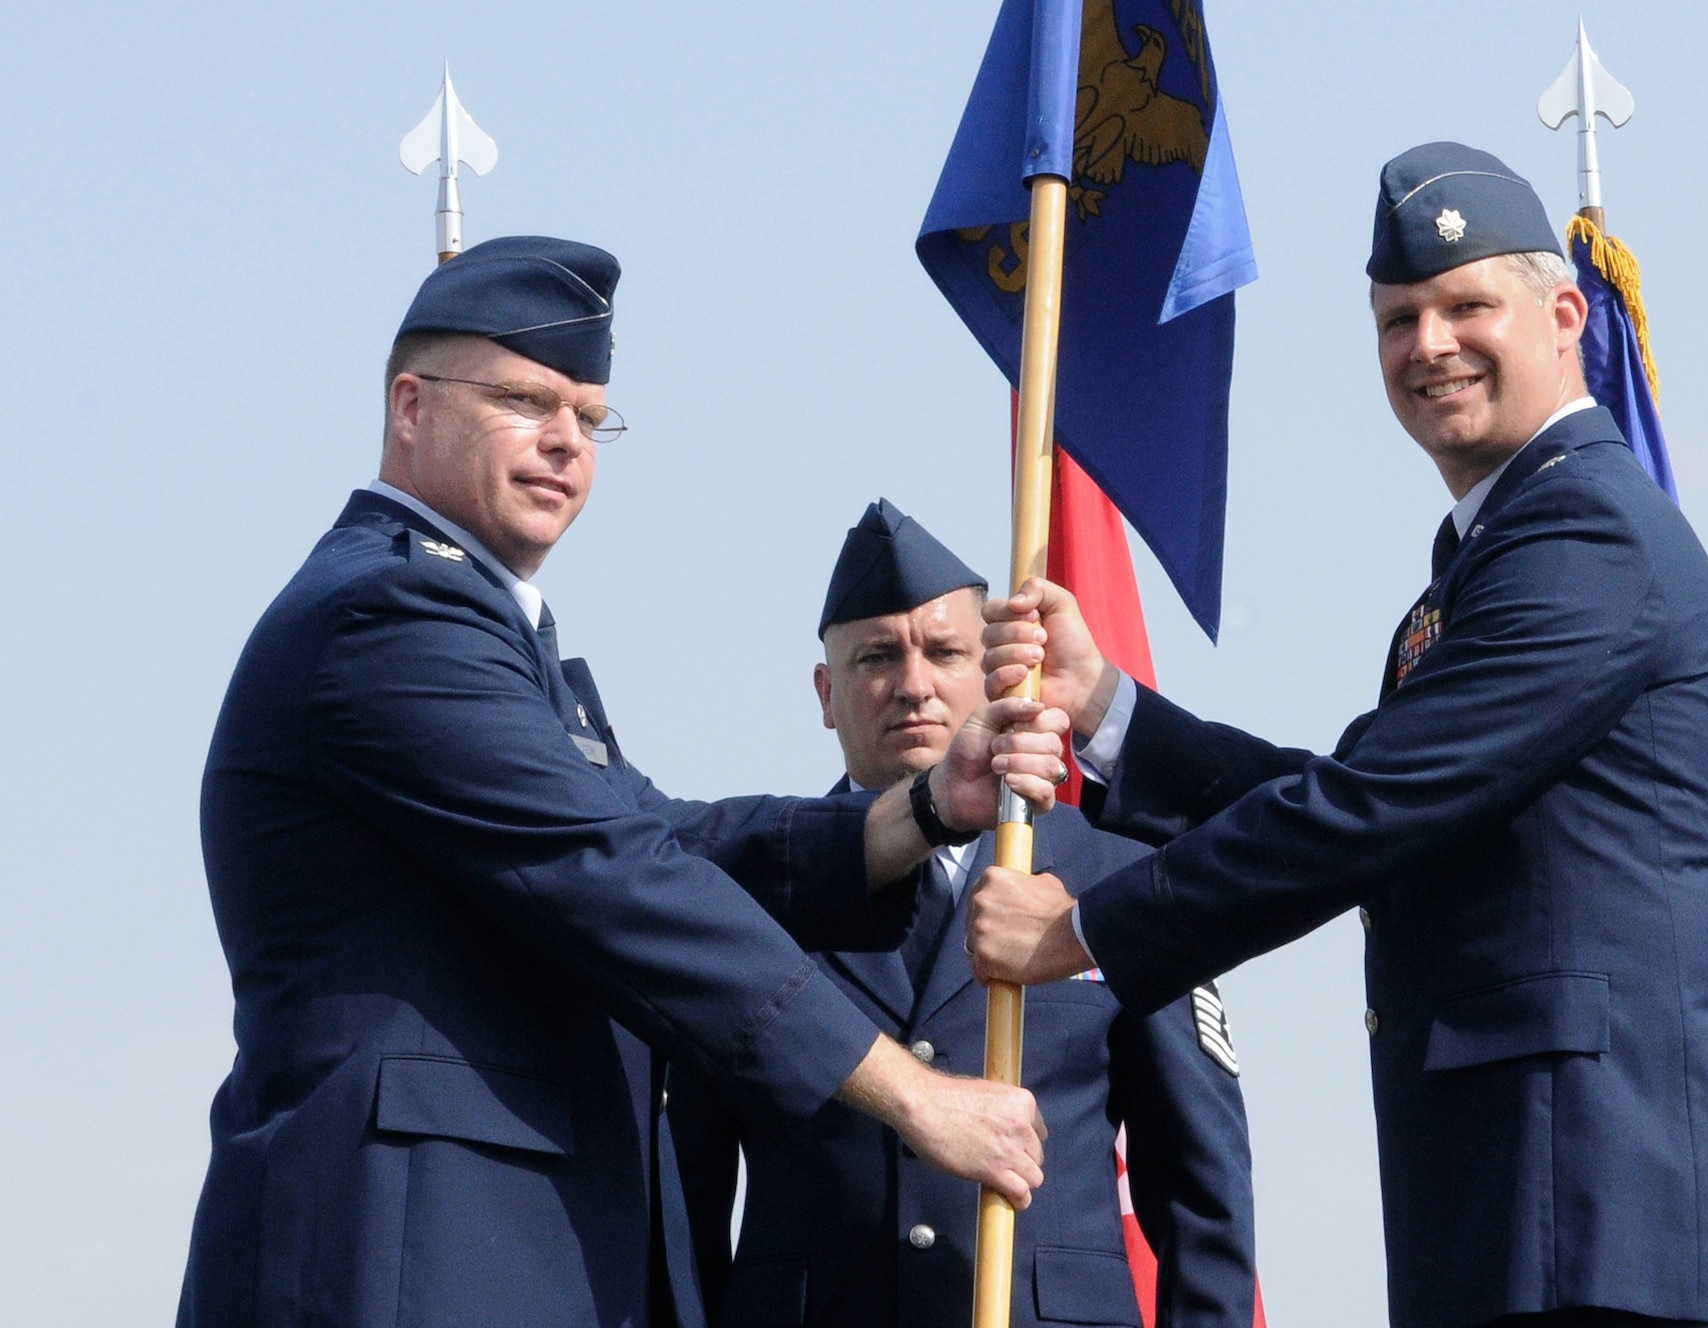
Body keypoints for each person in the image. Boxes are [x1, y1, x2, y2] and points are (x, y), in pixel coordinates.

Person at [968, 145, 1708, 1328]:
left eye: (1468, 306)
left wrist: (1084, 926)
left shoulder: (1585, 536)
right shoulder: (1490, 551)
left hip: (1606, 1227)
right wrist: (1107, 707)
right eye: (1397, 317)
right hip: (1527, 1216)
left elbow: (1371, 811)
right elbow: (1371, 796)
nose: (1429, 344)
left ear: (1563, 313)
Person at [177, 237, 1072, 1328]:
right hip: (409, 1260)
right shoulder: (386, 618)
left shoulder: (486, 634)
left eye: (589, 417)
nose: (565, 440)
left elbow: (662, 840)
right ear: (410, 405)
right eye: (522, 398)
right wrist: (914, 1093)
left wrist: (923, 809)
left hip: (509, 1254)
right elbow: (614, 875)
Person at [666, 499, 1258, 1328]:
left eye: (943, 651)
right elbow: (684, 1187)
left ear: (995, 673)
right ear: (827, 693)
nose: (912, 684)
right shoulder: (754, 884)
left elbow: (1202, 1188)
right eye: (877, 657)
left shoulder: (1115, 876)